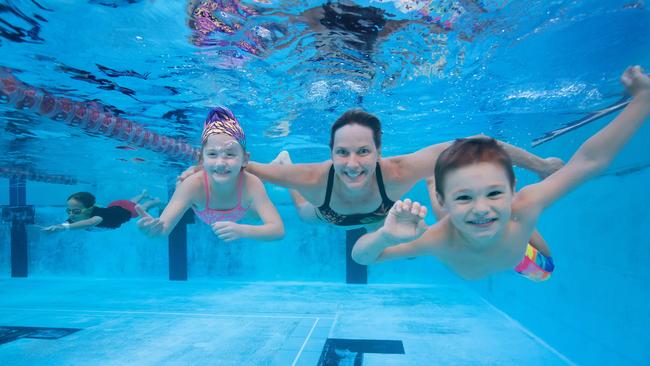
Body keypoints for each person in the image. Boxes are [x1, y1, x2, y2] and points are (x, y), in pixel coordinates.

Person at [350, 66, 650, 281]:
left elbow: (589, 160)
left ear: (513, 187)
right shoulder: (438, 238)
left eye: (495, 193)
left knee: (544, 271)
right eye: (465, 197)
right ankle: (437, 183)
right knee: (452, 218)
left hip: (512, 245)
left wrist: (642, 101)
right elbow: (363, 257)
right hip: (473, 231)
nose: (481, 208)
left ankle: (456, 191)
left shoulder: (526, 203)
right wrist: (384, 236)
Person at [179, 108, 562, 246]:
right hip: (325, 213)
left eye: (364, 151)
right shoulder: (316, 176)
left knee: (439, 201)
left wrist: (539, 166)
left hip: (381, 215)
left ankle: (435, 183)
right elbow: (235, 164)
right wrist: (199, 167)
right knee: (302, 209)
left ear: (379, 152)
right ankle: (287, 158)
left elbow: (480, 142)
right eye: (342, 152)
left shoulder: (397, 171)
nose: (353, 163)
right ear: (331, 155)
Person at [136, 106, 284, 242]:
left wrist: (242, 231)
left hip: (243, 202)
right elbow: (163, 230)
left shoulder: (251, 184)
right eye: (212, 154)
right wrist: (152, 229)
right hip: (217, 189)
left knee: (254, 216)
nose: (220, 162)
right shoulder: (192, 186)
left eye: (230, 154)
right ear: (202, 159)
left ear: (245, 158)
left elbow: (277, 230)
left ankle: (273, 167)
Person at [42, 190, 161, 232]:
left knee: (142, 208)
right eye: (69, 211)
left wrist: (64, 228)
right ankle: (143, 194)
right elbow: (68, 222)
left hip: (127, 210)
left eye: (76, 211)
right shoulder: (76, 217)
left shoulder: (97, 217)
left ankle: (154, 201)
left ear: (89, 210)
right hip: (114, 205)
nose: (71, 215)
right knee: (130, 202)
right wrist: (56, 227)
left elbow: (90, 223)